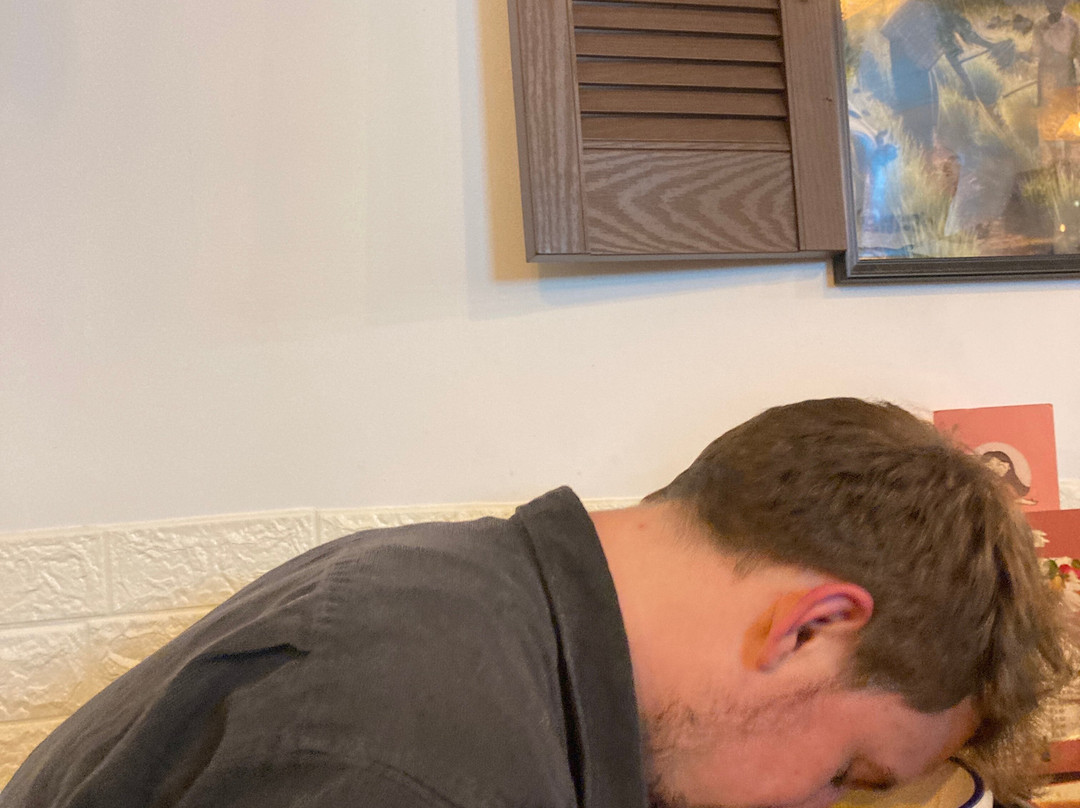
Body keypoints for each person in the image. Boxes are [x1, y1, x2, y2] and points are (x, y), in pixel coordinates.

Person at [1, 398, 1071, 808]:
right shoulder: (418, 756)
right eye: (847, 773)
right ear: (809, 628)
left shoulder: (472, 601)